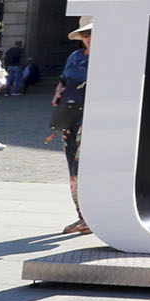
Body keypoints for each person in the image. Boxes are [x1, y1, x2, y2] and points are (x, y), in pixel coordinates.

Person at [49, 20, 91, 234]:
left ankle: (94, 216)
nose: (89, 38)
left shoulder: (112, 58)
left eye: (92, 33)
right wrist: (58, 91)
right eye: (85, 34)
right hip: (70, 115)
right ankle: (82, 215)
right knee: (72, 168)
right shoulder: (75, 57)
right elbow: (63, 81)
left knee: (83, 165)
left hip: (94, 117)